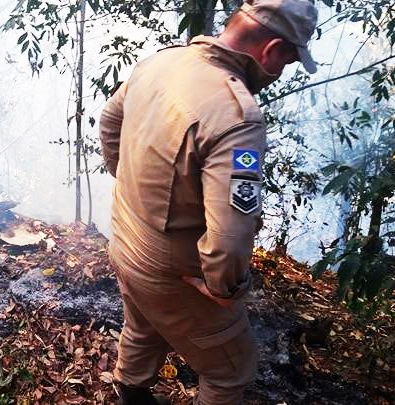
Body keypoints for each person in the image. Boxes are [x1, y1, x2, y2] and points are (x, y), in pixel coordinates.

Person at [98, 1, 319, 404]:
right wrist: (225, 288)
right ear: (271, 51)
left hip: (125, 238)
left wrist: (132, 185)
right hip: (174, 272)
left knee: (145, 325)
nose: (279, 72)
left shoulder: (162, 63)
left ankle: (131, 392)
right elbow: (231, 231)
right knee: (230, 369)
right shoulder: (238, 118)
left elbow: (110, 123)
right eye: (286, 62)